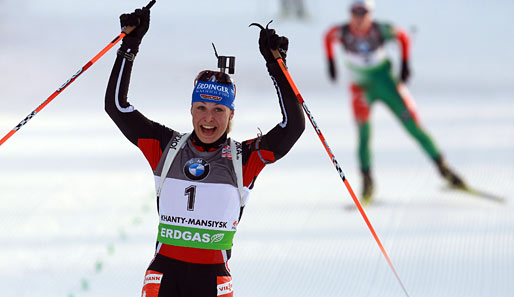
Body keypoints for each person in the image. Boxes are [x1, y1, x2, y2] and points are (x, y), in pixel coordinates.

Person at [105, 6, 305, 297]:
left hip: (212, 280)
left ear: (231, 114)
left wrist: (277, 67)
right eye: (201, 108)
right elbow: (116, 106)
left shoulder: (244, 158)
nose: (208, 119)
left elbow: (292, 127)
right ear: (191, 110)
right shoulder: (165, 146)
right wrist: (129, 45)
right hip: (164, 275)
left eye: (218, 110)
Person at [324, 0, 466, 205]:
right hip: (361, 89)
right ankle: (367, 181)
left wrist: (406, 64)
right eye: (355, 12)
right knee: (364, 134)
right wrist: (330, 62)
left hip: (387, 85)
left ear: (370, 14)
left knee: (413, 126)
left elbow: (403, 37)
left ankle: (444, 169)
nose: (359, 18)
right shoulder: (342, 32)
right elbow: (327, 37)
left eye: (363, 12)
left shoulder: (380, 30)